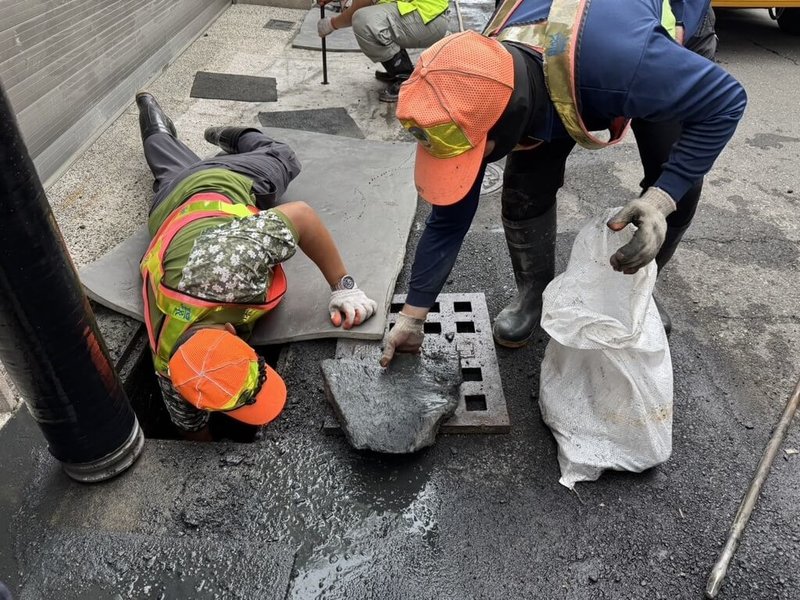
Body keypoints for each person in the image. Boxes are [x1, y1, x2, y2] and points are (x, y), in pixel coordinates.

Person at [380, 0, 746, 366]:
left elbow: (726, 101)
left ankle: (638, 294)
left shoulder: (627, 66)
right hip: (576, 53)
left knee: (677, 176)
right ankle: (534, 294)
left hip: (656, 37)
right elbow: (448, 219)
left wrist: (662, 199)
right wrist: (413, 315)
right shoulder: (480, 74)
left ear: (511, 122)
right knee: (525, 187)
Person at [135, 92, 378, 439]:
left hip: (221, 182)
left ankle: (232, 136)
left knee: (282, 157)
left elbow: (302, 216)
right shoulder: (173, 372)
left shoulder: (231, 269)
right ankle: (148, 106)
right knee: (165, 158)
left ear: (234, 334)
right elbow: (192, 428)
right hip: (166, 206)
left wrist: (344, 287)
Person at [316, 0, 449, 102]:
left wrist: (331, 24)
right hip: (426, 16)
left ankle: (404, 77)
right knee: (376, 17)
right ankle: (401, 68)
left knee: (363, 20)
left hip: (428, 19)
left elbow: (360, 5)